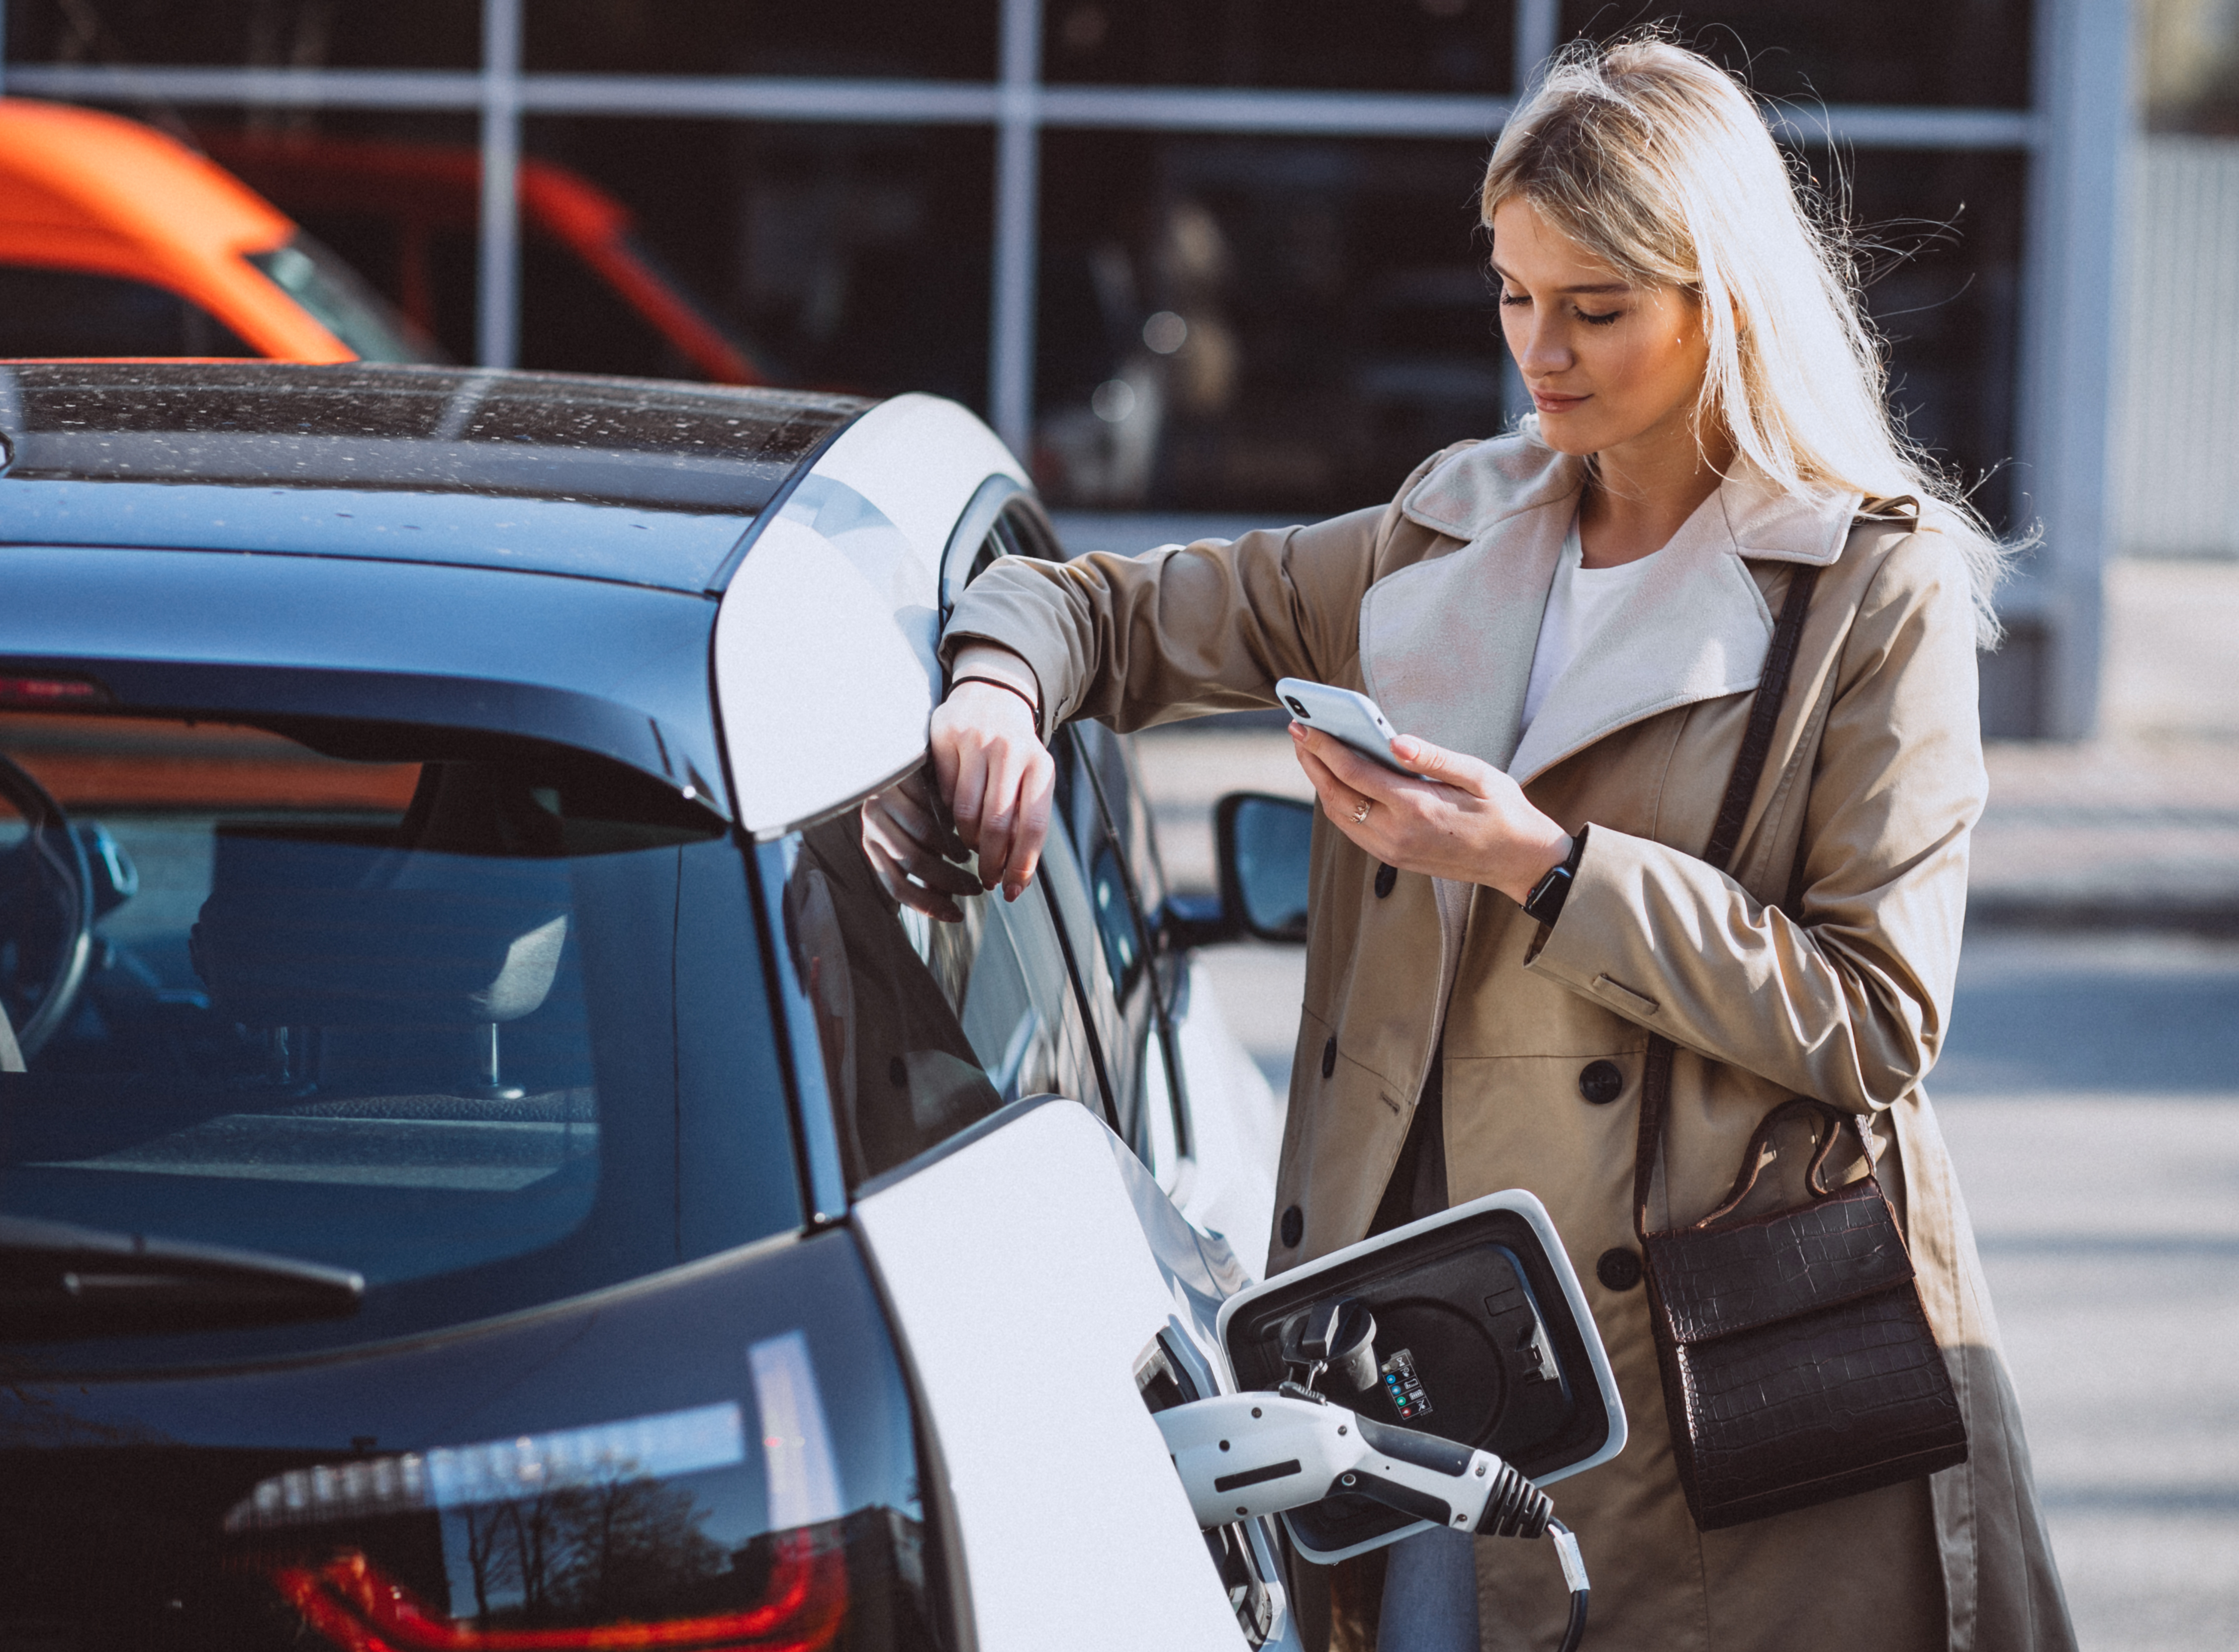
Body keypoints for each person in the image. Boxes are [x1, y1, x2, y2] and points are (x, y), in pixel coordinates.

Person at [869, 34, 2077, 1652]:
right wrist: (998, 694)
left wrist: (1542, 868)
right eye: (1515, 295)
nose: (1541, 356)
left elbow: (1872, 1015)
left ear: (1721, 300)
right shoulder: (1452, 524)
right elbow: (1110, 608)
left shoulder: (1877, 588)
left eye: (1596, 309)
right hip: (1441, 1370)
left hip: (1719, 1384)